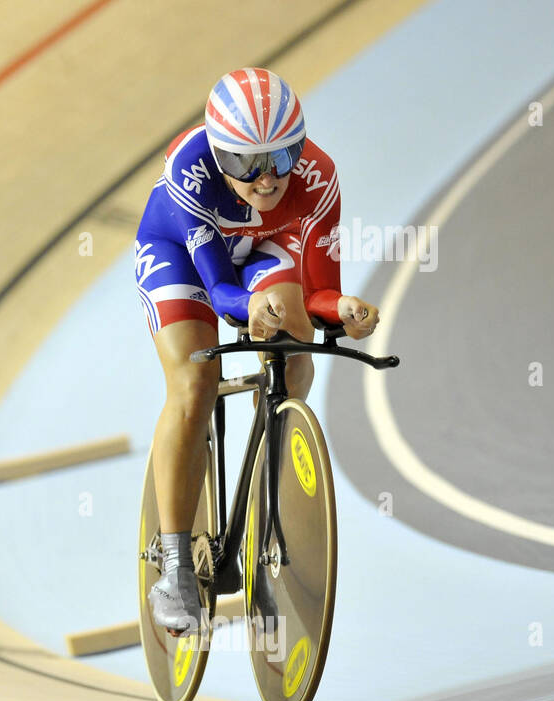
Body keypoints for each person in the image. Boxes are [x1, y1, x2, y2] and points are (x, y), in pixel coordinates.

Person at [134, 67, 379, 634]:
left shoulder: (318, 179)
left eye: (281, 158)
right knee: (195, 382)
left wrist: (340, 310)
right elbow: (221, 293)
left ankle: (265, 493)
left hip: (255, 250)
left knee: (296, 359)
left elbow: (320, 289)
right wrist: (252, 309)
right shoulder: (189, 170)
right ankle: (174, 564)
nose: (267, 179)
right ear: (220, 155)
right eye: (246, 163)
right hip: (183, 255)